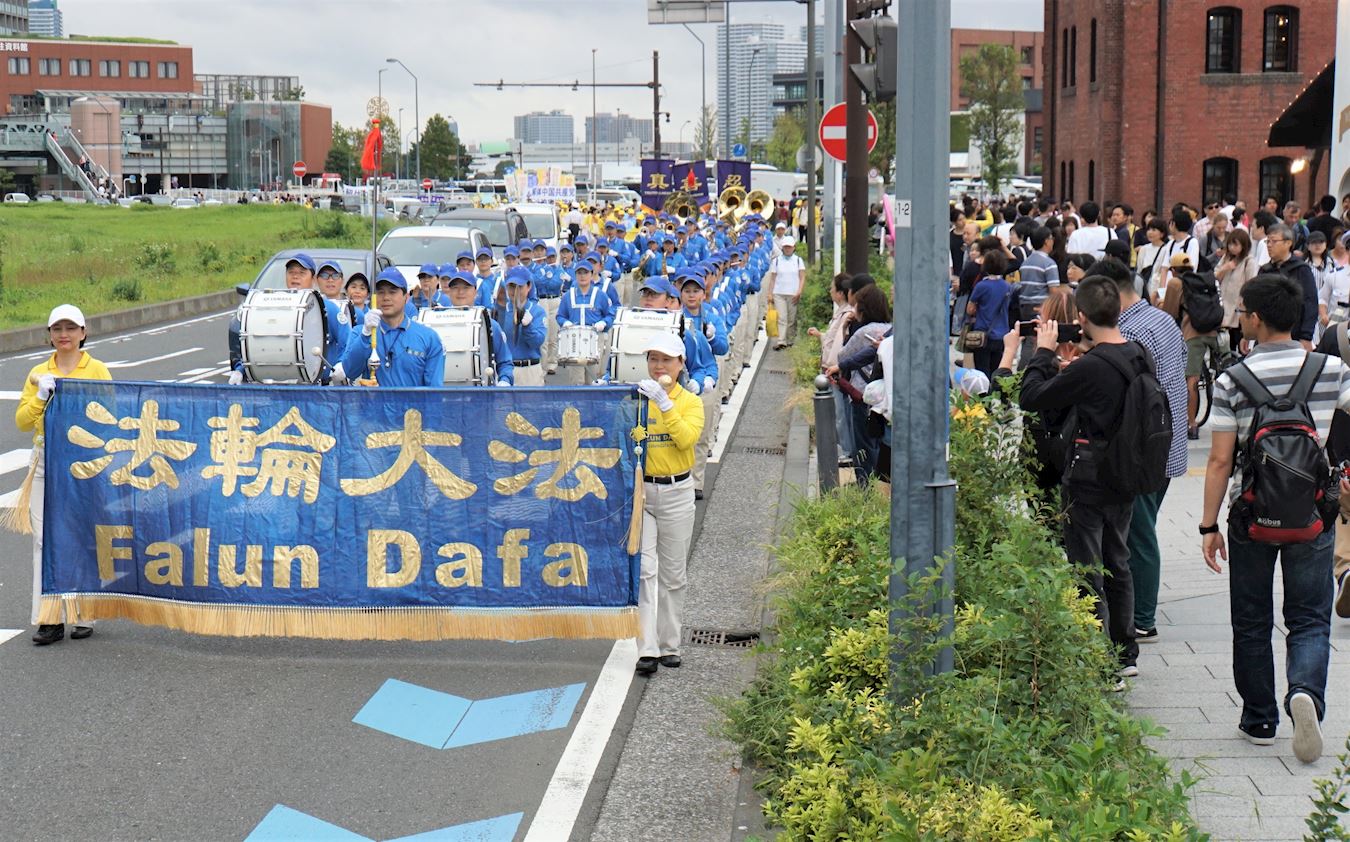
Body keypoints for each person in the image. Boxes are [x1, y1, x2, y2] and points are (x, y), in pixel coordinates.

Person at [1201, 274, 1350, 762]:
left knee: (1251, 619)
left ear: (1257, 319)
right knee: (1309, 618)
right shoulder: (1329, 369)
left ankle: (1260, 718)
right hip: (1312, 513)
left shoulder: (1231, 379)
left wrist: (1208, 525)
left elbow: (1221, 460)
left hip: (1252, 514)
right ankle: (1305, 691)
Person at [1019, 275, 1151, 679]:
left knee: (1085, 566)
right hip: (1126, 473)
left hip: (1089, 476)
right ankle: (1124, 651)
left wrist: (1042, 352)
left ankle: (1097, 657)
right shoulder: (1138, 353)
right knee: (1119, 559)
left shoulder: (1091, 366)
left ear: (1081, 317)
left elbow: (1032, 398)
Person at [1093, 257, 1188, 644]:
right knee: (1140, 528)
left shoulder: (1131, 332)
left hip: (1145, 447)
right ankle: (1141, 608)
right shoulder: (1163, 319)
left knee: (1138, 532)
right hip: (1168, 443)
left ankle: (1143, 616)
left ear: (1113, 292)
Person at [17, 305, 113, 645]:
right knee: (44, 541)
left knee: (82, 535)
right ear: (49, 335)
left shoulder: (97, 369)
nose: (64, 334)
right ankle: (49, 618)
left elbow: (110, 414)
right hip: (45, 461)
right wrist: (41, 396)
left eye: (71, 328)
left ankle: (84, 612)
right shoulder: (38, 371)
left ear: (83, 333)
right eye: (57, 328)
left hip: (84, 462)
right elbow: (23, 421)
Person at [633, 332, 705, 676]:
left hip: (677, 491)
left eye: (666, 359)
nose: (658, 365)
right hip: (642, 494)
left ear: (680, 364)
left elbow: (686, 439)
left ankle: (669, 645)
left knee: (673, 574)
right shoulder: (637, 399)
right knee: (646, 571)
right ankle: (646, 648)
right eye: (653, 359)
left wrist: (665, 404)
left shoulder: (691, 401)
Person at [339, 268, 446, 387]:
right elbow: (350, 372)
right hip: (374, 405)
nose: (386, 297)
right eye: (380, 292)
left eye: (392, 291)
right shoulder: (360, 332)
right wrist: (365, 336)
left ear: (406, 297)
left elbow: (434, 390)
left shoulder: (429, 337)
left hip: (413, 406)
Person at [1159, 252, 1218, 440]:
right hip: (1213, 331)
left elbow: (1169, 313)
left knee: (1190, 379)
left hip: (1192, 335)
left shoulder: (1175, 283)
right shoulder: (1204, 281)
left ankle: (1191, 424)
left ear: (1173, 270)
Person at [808, 273, 857, 464]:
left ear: (840, 293)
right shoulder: (842, 313)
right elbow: (832, 339)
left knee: (840, 412)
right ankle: (844, 448)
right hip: (834, 369)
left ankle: (846, 449)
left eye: (832, 288)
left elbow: (837, 345)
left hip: (835, 370)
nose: (829, 291)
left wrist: (830, 367)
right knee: (839, 411)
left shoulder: (846, 315)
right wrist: (821, 335)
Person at [442, 270, 514, 386]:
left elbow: (505, 362)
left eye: (466, 287)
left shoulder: (489, 324)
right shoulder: (438, 321)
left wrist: (504, 380)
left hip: (482, 396)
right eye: (455, 287)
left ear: (475, 292)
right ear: (449, 292)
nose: (460, 292)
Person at [1260, 223, 1320, 349]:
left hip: (1295, 336)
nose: (1269, 245)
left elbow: (1310, 302)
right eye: (1268, 241)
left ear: (1288, 243)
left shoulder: (1301, 269)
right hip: (1266, 336)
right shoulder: (1265, 271)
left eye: (1274, 241)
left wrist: (1306, 336)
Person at [555, 261, 613, 385]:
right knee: (576, 380)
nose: (582, 276)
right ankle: (577, 404)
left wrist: (603, 323)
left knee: (594, 378)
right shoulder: (568, 296)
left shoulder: (600, 295)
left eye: (586, 273)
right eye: (579, 273)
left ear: (591, 275)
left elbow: (610, 314)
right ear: (575, 275)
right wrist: (565, 323)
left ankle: (593, 404)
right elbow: (560, 316)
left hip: (595, 338)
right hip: (575, 340)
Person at [966, 249, 1013, 377]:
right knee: (996, 371)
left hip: (982, 334)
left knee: (982, 371)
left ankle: (983, 396)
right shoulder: (1007, 286)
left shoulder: (981, 286)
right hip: (1001, 334)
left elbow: (970, 309)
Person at [1215, 228, 1259, 352]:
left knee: (1236, 341)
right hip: (1223, 306)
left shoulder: (1249, 261)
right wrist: (1225, 268)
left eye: (1235, 244)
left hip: (1239, 309)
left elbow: (1251, 284)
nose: (1232, 247)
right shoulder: (1226, 258)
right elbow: (1215, 277)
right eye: (1230, 244)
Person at [770, 237, 806, 350]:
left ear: (793, 247)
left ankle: (790, 339)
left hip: (793, 293)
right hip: (779, 293)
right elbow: (772, 278)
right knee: (782, 317)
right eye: (785, 247)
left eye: (789, 247)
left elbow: (802, 277)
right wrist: (770, 293)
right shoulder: (776, 261)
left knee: (792, 319)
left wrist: (799, 291)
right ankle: (781, 340)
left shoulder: (798, 260)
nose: (787, 249)